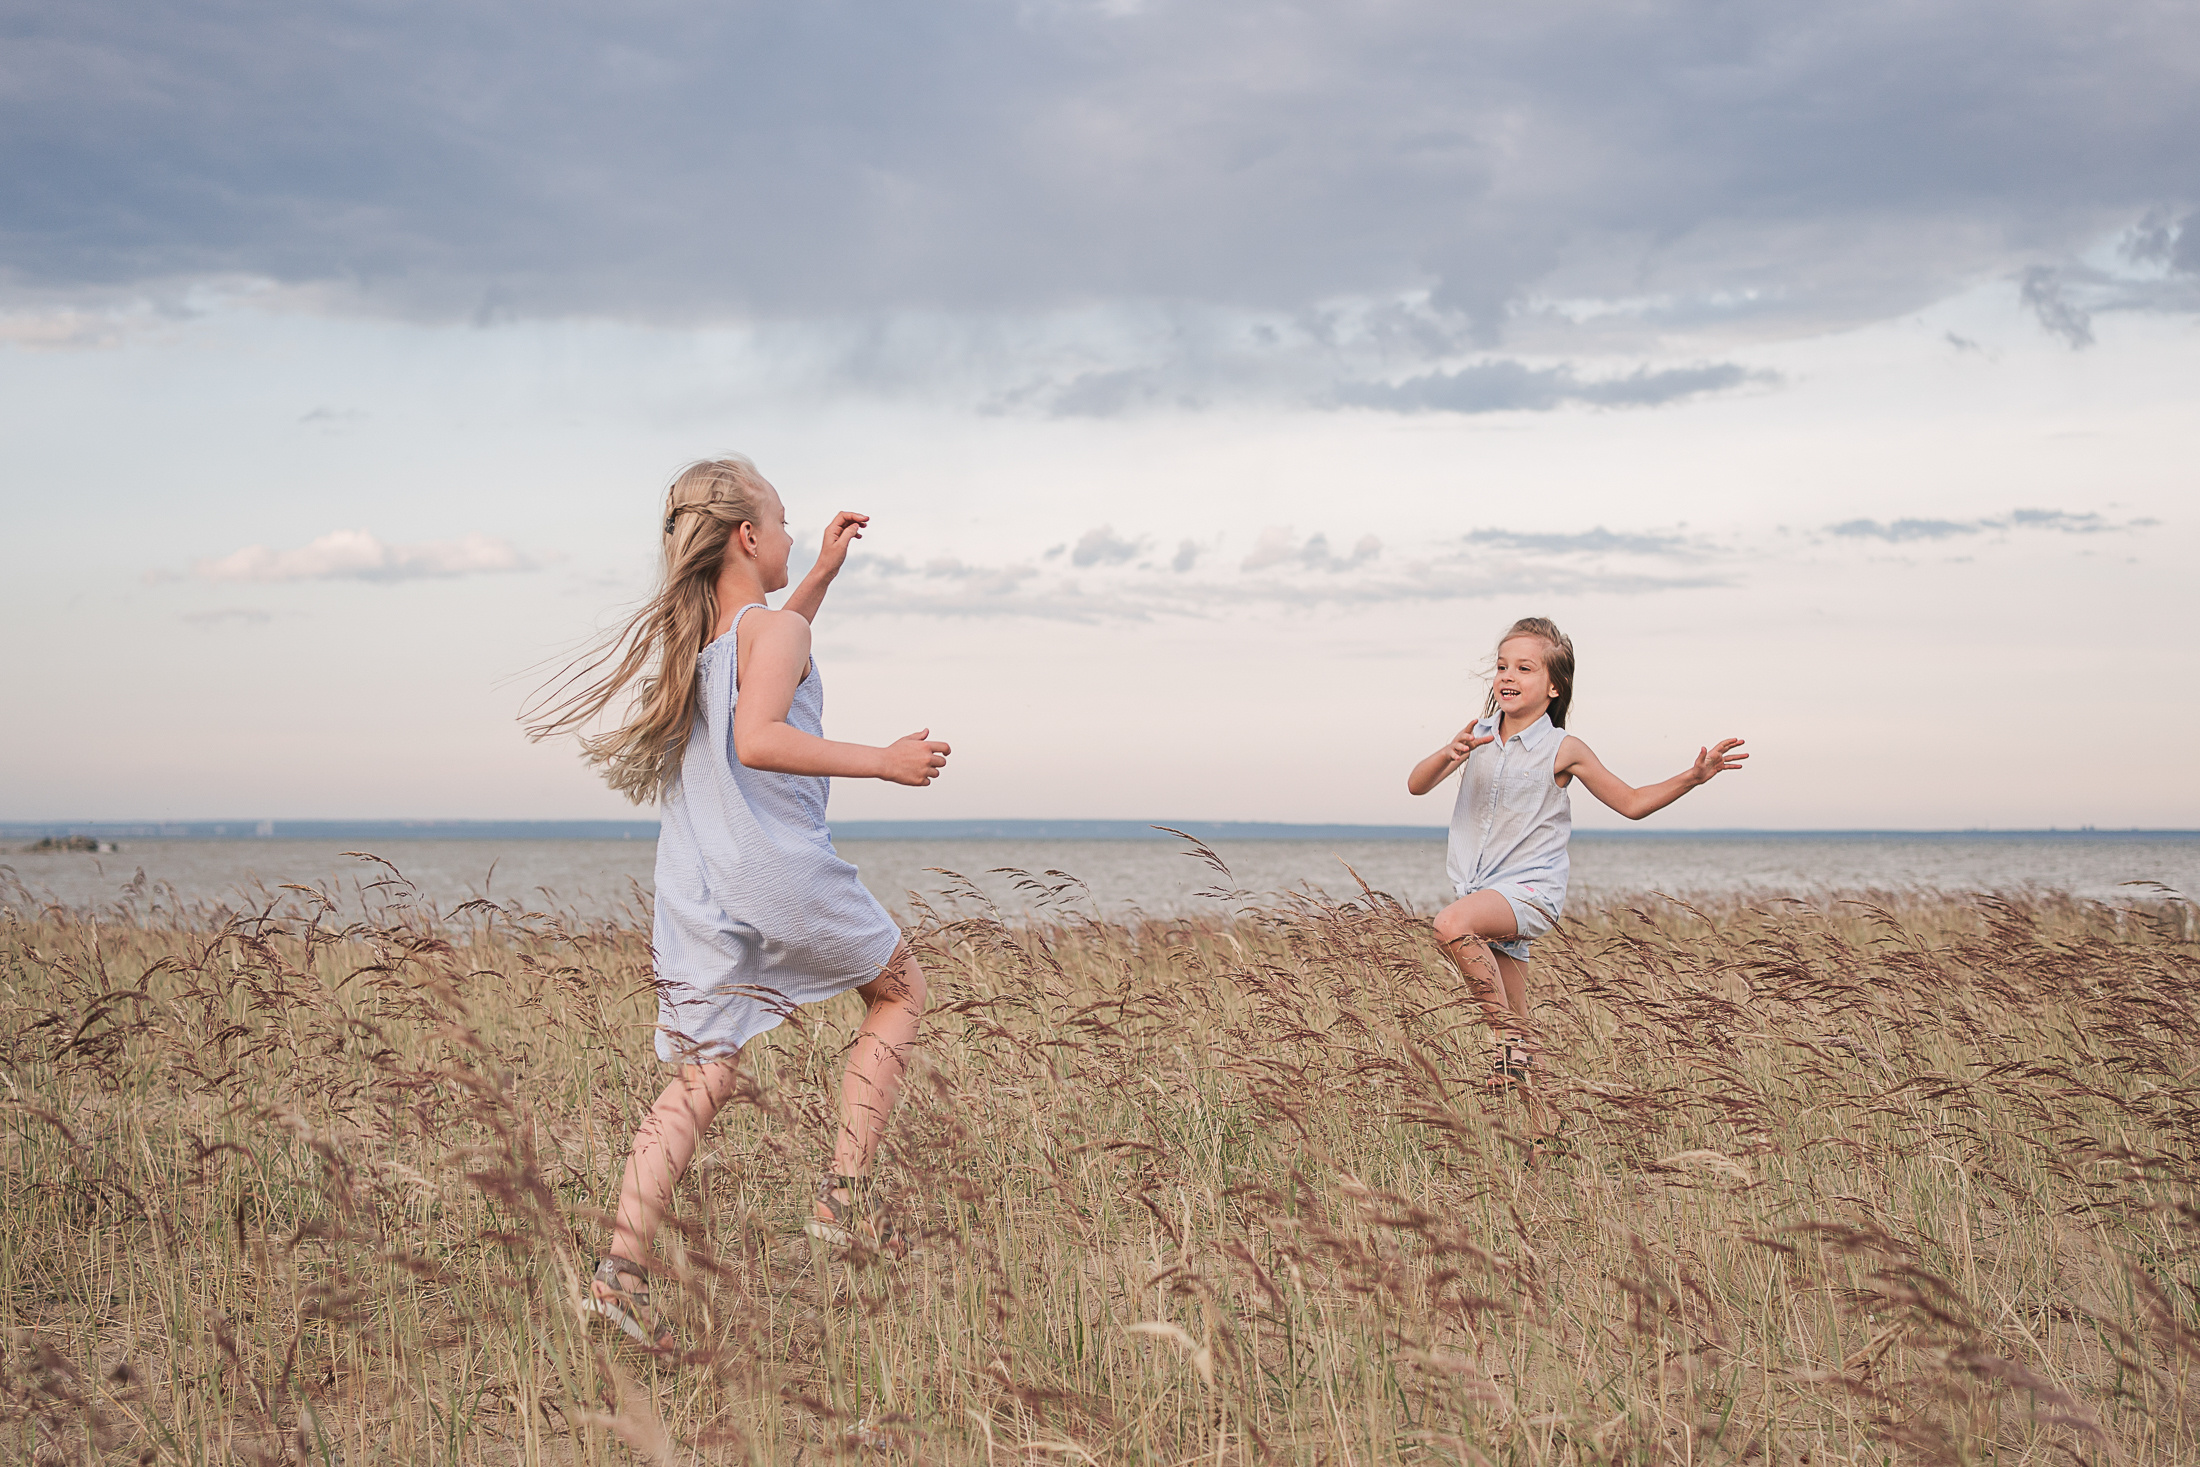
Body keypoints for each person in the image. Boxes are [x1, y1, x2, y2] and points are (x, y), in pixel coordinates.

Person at [527, 456, 949, 1349]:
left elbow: (766, 656)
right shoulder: (771, 638)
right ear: (748, 537)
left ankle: (617, 1277)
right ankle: (843, 1202)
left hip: (697, 883)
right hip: (776, 868)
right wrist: (883, 759)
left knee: (702, 1075)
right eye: (787, 522)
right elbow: (759, 735)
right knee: (901, 992)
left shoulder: (705, 649)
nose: (796, 535)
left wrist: (822, 574)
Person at [1407, 616, 1745, 1092]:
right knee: (1527, 1033)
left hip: (1530, 892)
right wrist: (1450, 752)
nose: (1508, 676)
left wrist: (1691, 777)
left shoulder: (1563, 748)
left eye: (1524, 668)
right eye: (1502, 666)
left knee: (1450, 925)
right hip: (1483, 891)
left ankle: (1505, 1042)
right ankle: (1548, 1138)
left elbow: (1630, 803)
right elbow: (1416, 786)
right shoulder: (1477, 736)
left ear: (1553, 686)